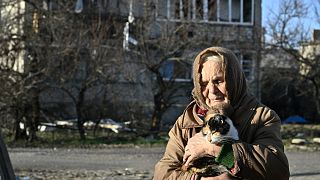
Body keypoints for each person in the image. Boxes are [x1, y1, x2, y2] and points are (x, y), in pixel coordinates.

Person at [153, 47, 289, 179]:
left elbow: (278, 171)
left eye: (218, 81)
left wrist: (214, 148)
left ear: (234, 80)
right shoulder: (188, 121)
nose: (212, 90)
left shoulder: (262, 117)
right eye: (204, 83)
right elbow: (163, 172)